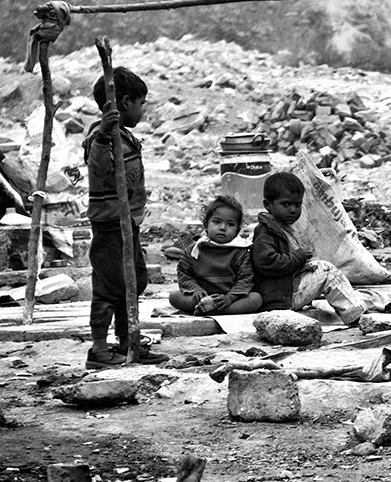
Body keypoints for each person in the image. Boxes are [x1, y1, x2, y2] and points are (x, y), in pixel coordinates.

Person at [83, 66, 168, 368]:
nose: (143, 110)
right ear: (126, 102)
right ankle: (98, 349)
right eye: (141, 103)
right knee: (109, 285)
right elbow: (97, 168)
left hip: (127, 222)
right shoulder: (100, 136)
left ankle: (127, 341)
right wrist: (104, 136)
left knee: (132, 281)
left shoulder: (125, 136)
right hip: (109, 223)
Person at [251, 171, 365, 325]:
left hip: (285, 292)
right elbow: (266, 262)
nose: (293, 210)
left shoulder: (282, 227)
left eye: (297, 205)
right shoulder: (266, 231)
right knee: (327, 271)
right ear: (267, 205)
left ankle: (355, 310)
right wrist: (299, 257)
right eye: (286, 204)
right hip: (279, 298)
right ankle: (356, 316)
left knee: (320, 268)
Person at [169, 194, 262, 316]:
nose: (223, 228)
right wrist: (195, 290)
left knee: (255, 299)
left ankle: (214, 310)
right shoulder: (195, 250)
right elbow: (184, 274)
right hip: (202, 297)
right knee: (174, 296)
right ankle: (206, 307)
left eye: (230, 224)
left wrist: (230, 298)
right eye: (217, 222)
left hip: (229, 299)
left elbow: (246, 279)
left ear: (237, 230)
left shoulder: (242, 252)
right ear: (206, 225)